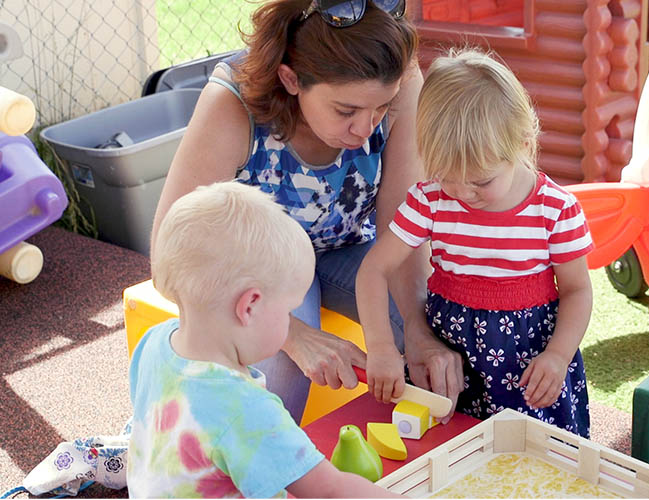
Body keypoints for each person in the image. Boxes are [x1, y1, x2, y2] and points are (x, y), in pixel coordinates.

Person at [150, 0, 464, 424]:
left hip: (348, 249)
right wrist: (294, 336)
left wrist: (418, 327)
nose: (366, 128)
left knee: (443, 323)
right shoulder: (231, 106)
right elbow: (168, 256)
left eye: (381, 109)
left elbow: (401, 223)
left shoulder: (401, 82)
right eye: (346, 110)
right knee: (276, 366)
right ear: (291, 79)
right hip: (252, 269)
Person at [356, 48, 594, 437]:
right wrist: (381, 346)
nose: (463, 192)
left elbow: (577, 290)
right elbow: (373, 270)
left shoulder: (555, 210)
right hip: (455, 368)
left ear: (520, 142)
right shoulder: (432, 199)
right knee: (452, 449)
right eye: (447, 176)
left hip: (528, 370)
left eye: (481, 180)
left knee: (536, 460)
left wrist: (557, 355)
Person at [128, 182, 400, 498]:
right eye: (288, 310)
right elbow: (331, 491)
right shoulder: (247, 410)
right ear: (250, 306)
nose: (290, 323)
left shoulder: (155, 342)